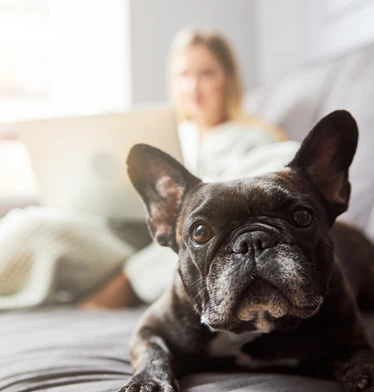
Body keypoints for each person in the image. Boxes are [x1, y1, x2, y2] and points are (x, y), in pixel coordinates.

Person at [71, 28, 299, 309]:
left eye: (206, 73)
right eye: (183, 75)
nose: (193, 87)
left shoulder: (255, 137)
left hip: (174, 242)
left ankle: (121, 286)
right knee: (38, 228)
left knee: (189, 236)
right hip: (129, 231)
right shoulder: (168, 137)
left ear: (227, 77)